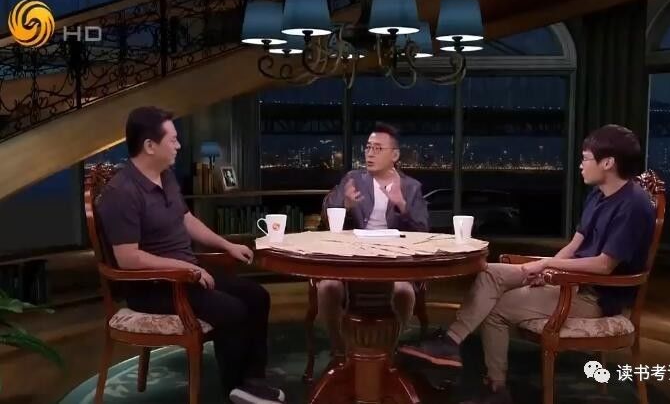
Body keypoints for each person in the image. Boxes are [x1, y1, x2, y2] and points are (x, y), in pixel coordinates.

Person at [398, 124, 656, 403]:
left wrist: (547, 267)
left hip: (594, 297)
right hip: (569, 280)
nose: (581, 165)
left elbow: (604, 266)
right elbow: (574, 246)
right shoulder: (598, 195)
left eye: (585, 158)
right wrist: (549, 269)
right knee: (490, 272)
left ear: (608, 163)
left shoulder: (633, 205)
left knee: (497, 307)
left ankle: (497, 388)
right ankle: (450, 343)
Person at [96, 106, 284, 404]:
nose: (179, 146)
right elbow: (128, 258)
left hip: (187, 274)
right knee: (233, 310)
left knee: (257, 295)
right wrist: (188, 270)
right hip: (153, 287)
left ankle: (252, 381)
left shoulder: (166, 176)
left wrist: (227, 245)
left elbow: (187, 220)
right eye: (172, 140)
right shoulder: (122, 192)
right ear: (150, 146)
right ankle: (235, 390)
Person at [320, 123, 429, 355]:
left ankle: (387, 353)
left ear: (395, 155)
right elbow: (328, 220)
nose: (370, 154)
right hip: (352, 259)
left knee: (404, 291)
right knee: (328, 287)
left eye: (378, 148)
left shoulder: (411, 187)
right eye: (368, 147)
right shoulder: (353, 179)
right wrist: (346, 205)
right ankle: (340, 352)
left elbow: (423, 230)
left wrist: (401, 205)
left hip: (394, 262)